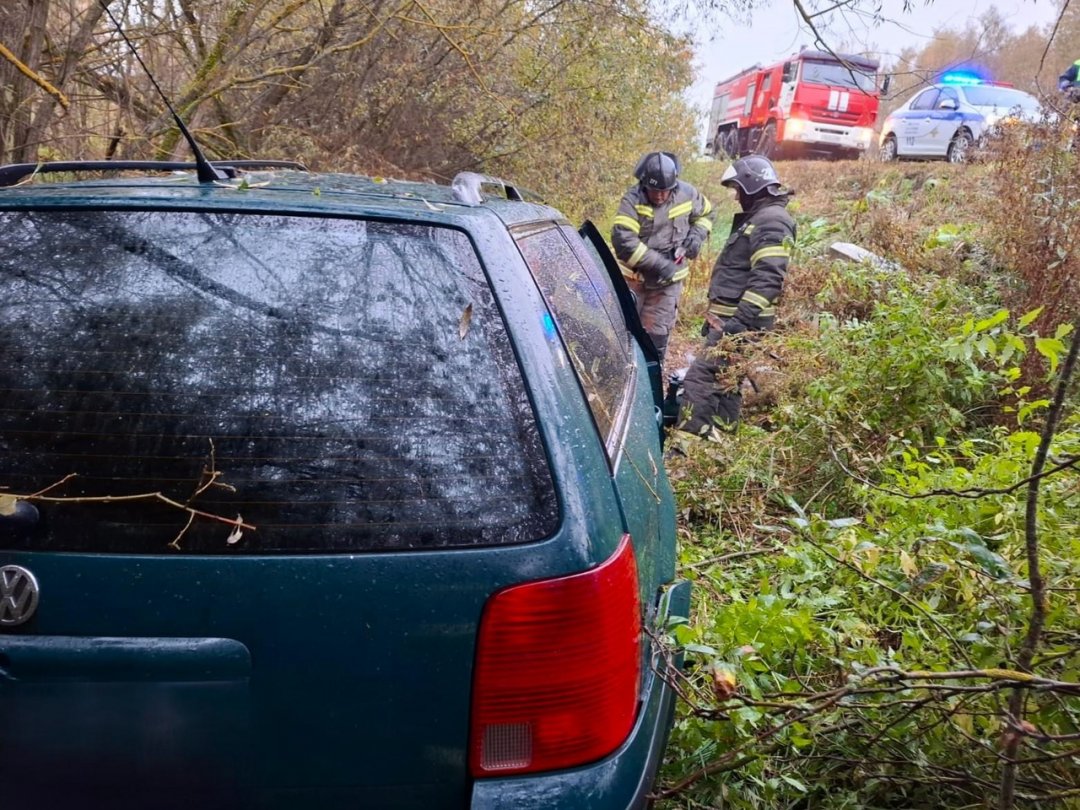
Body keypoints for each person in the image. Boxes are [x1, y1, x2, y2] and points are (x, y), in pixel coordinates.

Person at [677, 154, 795, 435]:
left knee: (700, 380)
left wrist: (739, 323)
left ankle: (688, 447)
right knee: (728, 382)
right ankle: (722, 439)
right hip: (734, 322)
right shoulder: (763, 218)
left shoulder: (772, 222)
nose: (737, 196)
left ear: (753, 187)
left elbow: (768, 279)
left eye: (739, 190)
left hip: (742, 325)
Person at [611, 151, 715, 362]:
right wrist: (660, 264)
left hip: (667, 287)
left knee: (655, 340)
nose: (659, 196)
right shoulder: (632, 200)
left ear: (674, 185)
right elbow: (624, 242)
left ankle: (651, 382)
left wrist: (696, 236)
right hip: (633, 283)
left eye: (664, 191)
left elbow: (707, 214)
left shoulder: (688, 194)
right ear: (644, 184)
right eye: (654, 190)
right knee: (621, 334)